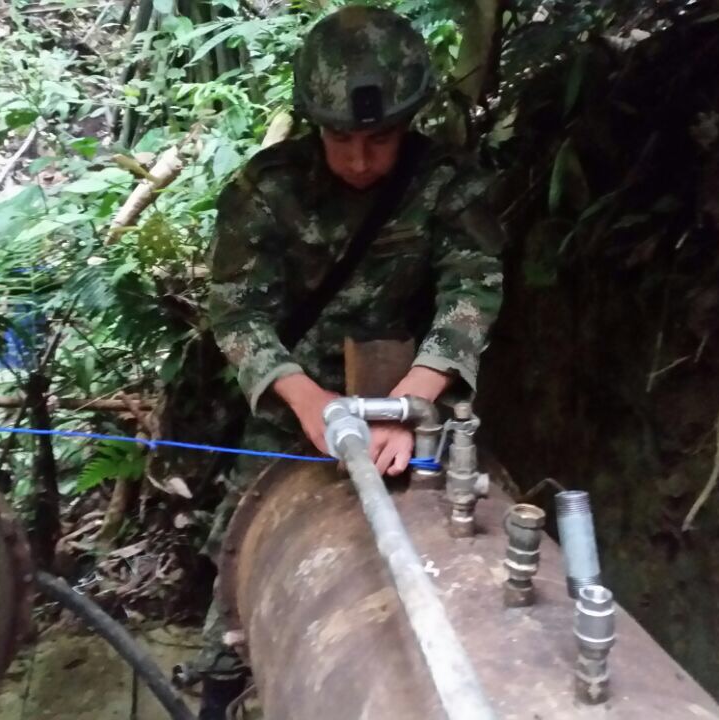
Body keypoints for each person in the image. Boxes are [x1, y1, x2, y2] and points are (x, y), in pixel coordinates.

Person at [190, 6, 506, 718]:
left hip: (412, 394)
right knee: (239, 567)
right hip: (292, 403)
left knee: (445, 550)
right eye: (341, 138)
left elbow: (472, 290)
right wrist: (309, 405)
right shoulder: (263, 191)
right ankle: (219, 689)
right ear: (311, 124)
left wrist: (409, 406)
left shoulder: (450, 185)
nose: (360, 160)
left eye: (381, 138)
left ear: (412, 122)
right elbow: (236, 313)